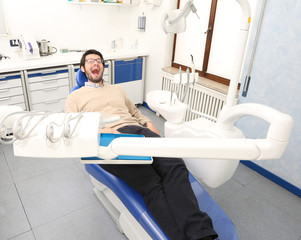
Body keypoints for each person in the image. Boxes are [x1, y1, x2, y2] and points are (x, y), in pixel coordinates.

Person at [65, 49, 218, 240]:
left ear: (103, 66)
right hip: (109, 141)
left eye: (99, 61)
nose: (95, 64)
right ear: (82, 68)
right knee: (151, 183)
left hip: (138, 131)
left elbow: (134, 112)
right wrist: (100, 132)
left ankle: (201, 233)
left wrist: (148, 122)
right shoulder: (75, 96)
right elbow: (72, 127)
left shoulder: (117, 89)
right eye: (90, 61)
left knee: (175, 166)